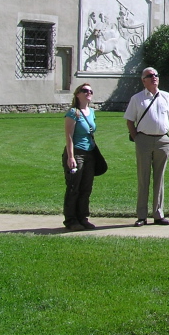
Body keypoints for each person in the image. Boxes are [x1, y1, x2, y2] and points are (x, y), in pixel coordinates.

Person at [124, 67, 169, 227]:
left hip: (163, 141)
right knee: (143, 178)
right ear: (143, 80)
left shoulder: (167, 97)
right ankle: (142, 216)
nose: (154, 77)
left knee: (159, 179)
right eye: (150, 75)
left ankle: (158, 214)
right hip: (144, 141)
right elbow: (129, 120)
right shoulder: (137, 98)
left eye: (156, 75)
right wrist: (137, 138)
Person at [63, 83, 98, 231]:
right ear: (77, 94)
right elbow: (69, 136)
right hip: (76, 153)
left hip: (90, 153)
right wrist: (71, 157)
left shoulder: (91, 112)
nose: (88, 93)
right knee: (74, 187)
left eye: (90, 91)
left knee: (86, 188)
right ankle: (71, 220)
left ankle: (83, 218)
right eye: (84, 90)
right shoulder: (73, 112)